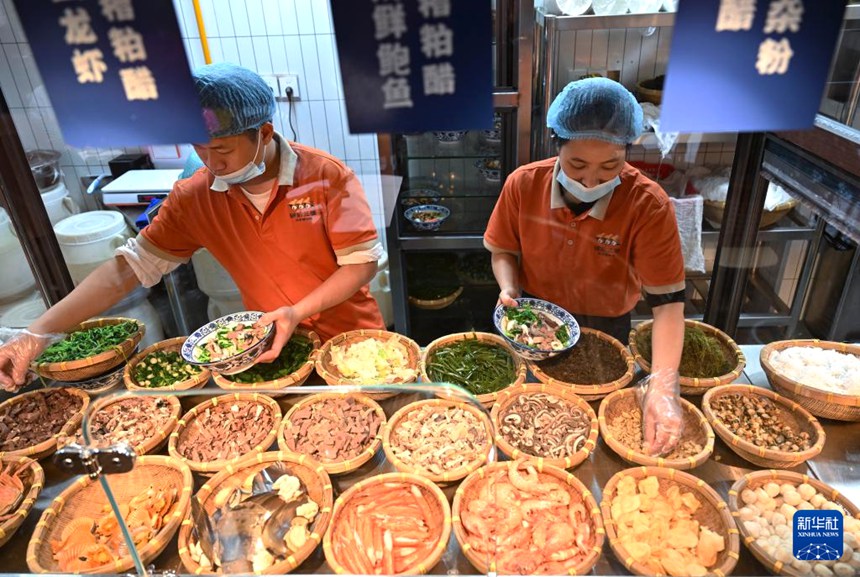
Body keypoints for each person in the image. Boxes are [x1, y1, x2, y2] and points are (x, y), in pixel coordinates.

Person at [0, 62, 384, 391]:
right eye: (200, 149)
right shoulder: (195, 196)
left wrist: (296, 312)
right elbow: (128, 270)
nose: (211, 163)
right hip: (269, 350)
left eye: (222, 150)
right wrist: (35, 334)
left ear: (264, 133)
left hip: (353, 345)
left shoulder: (327, 176)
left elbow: (361, 264)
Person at [484, 77, 685, 456]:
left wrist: (662, 385)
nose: (591, 180)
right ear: (556, 145)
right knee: (532, 426)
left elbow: (669, 305)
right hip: (535, 323)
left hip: (605, 331)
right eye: (576, 165)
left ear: (628, 151)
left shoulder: (648, 204)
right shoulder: (523, 185)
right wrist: (509, 288)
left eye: (610, 166)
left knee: (589, 437)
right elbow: (503, 250)